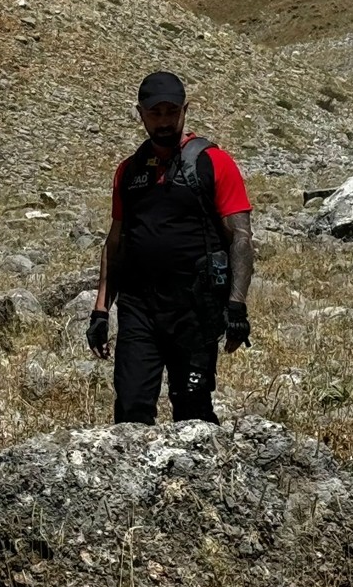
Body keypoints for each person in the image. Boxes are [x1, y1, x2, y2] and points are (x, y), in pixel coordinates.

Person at [87, 71, 254, 425]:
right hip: (138, 308)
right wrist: (101, 310)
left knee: (193, 412)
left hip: (195, 308)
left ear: (185, 110)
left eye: (171, 112)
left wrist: (236, 307)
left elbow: (240, 236)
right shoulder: (129, 172)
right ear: (140, 113)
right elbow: (116, 241)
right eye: (155, 113)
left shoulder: (214, 162)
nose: (164, 121)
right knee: (131, 410)